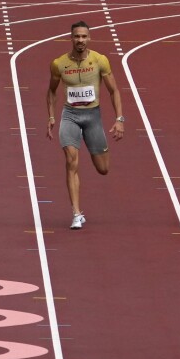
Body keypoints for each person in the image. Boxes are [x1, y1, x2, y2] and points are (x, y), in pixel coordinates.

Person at [46, 21, 124, 229]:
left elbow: (113, 90)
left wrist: (119, 119)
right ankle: (76, 213)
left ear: (89, 38)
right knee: (71, 161)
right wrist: (51, 117)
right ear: (70, 38)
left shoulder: (100, 60)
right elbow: (52, 91)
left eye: (83, 36)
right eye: (76, 36)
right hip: (70, 115)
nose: (80, 40)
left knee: (103, 169)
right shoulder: (59, 64)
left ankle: (92, 148)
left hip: (93, 116)